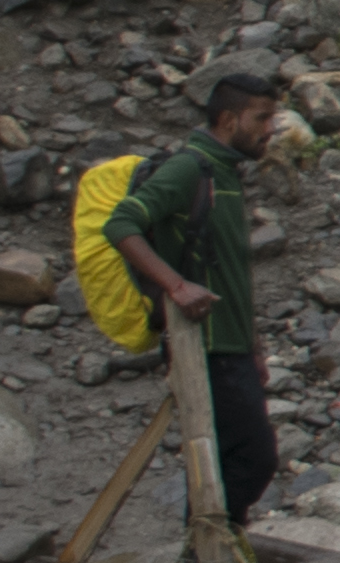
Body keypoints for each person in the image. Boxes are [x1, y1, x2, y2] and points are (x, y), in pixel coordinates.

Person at [95, 70, 288, 531]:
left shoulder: (225, 173)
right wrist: (176, 287)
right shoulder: (189, 168)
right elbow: (121, 225)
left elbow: (233, 273)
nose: (270, 129)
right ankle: (207, 558)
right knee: (255, 458)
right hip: (205, 347)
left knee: (225, 461)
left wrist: (255, 348)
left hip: (233, 347)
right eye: (261, 118)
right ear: (227, 119)